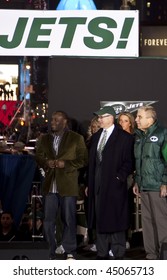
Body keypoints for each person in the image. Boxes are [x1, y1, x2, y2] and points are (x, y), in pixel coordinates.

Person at [35, 110, 88, 260]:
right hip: (50, 185)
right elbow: (38, 156)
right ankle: (49, 250)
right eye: (52, 120)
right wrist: (46, 162)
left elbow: (83, 159)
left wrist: (66, 164)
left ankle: (70, 250)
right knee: (48, 220)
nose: (52, 122)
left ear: (64, 122)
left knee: (69, 218)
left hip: (68, 184)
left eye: (56, 120)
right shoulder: (44, 139)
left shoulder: (76, 138)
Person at [87, 106, 134, 259]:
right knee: (99, 215)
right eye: (98, 117)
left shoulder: (124, 137)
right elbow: (92, 162)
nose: (99, 119)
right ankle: (101, 252)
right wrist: (89, 183)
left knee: (116, 216)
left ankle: (118, 252)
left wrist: (119, 178)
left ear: (111, 118)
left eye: (102, 117)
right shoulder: (96, 136)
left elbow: (129, 162)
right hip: (97, 183)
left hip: (115, 184)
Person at [133, 105, 167, 260]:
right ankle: (151, 255)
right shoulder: (139, 136)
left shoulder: (162, 133)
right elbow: (138, 162)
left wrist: (165, 182)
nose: (136, 120)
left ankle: (164, 255)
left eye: (139, 117)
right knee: (147, 222)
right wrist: (136, 182)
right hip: (143, 186)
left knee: (161, 222)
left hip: (158, 187)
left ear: (150, 119)